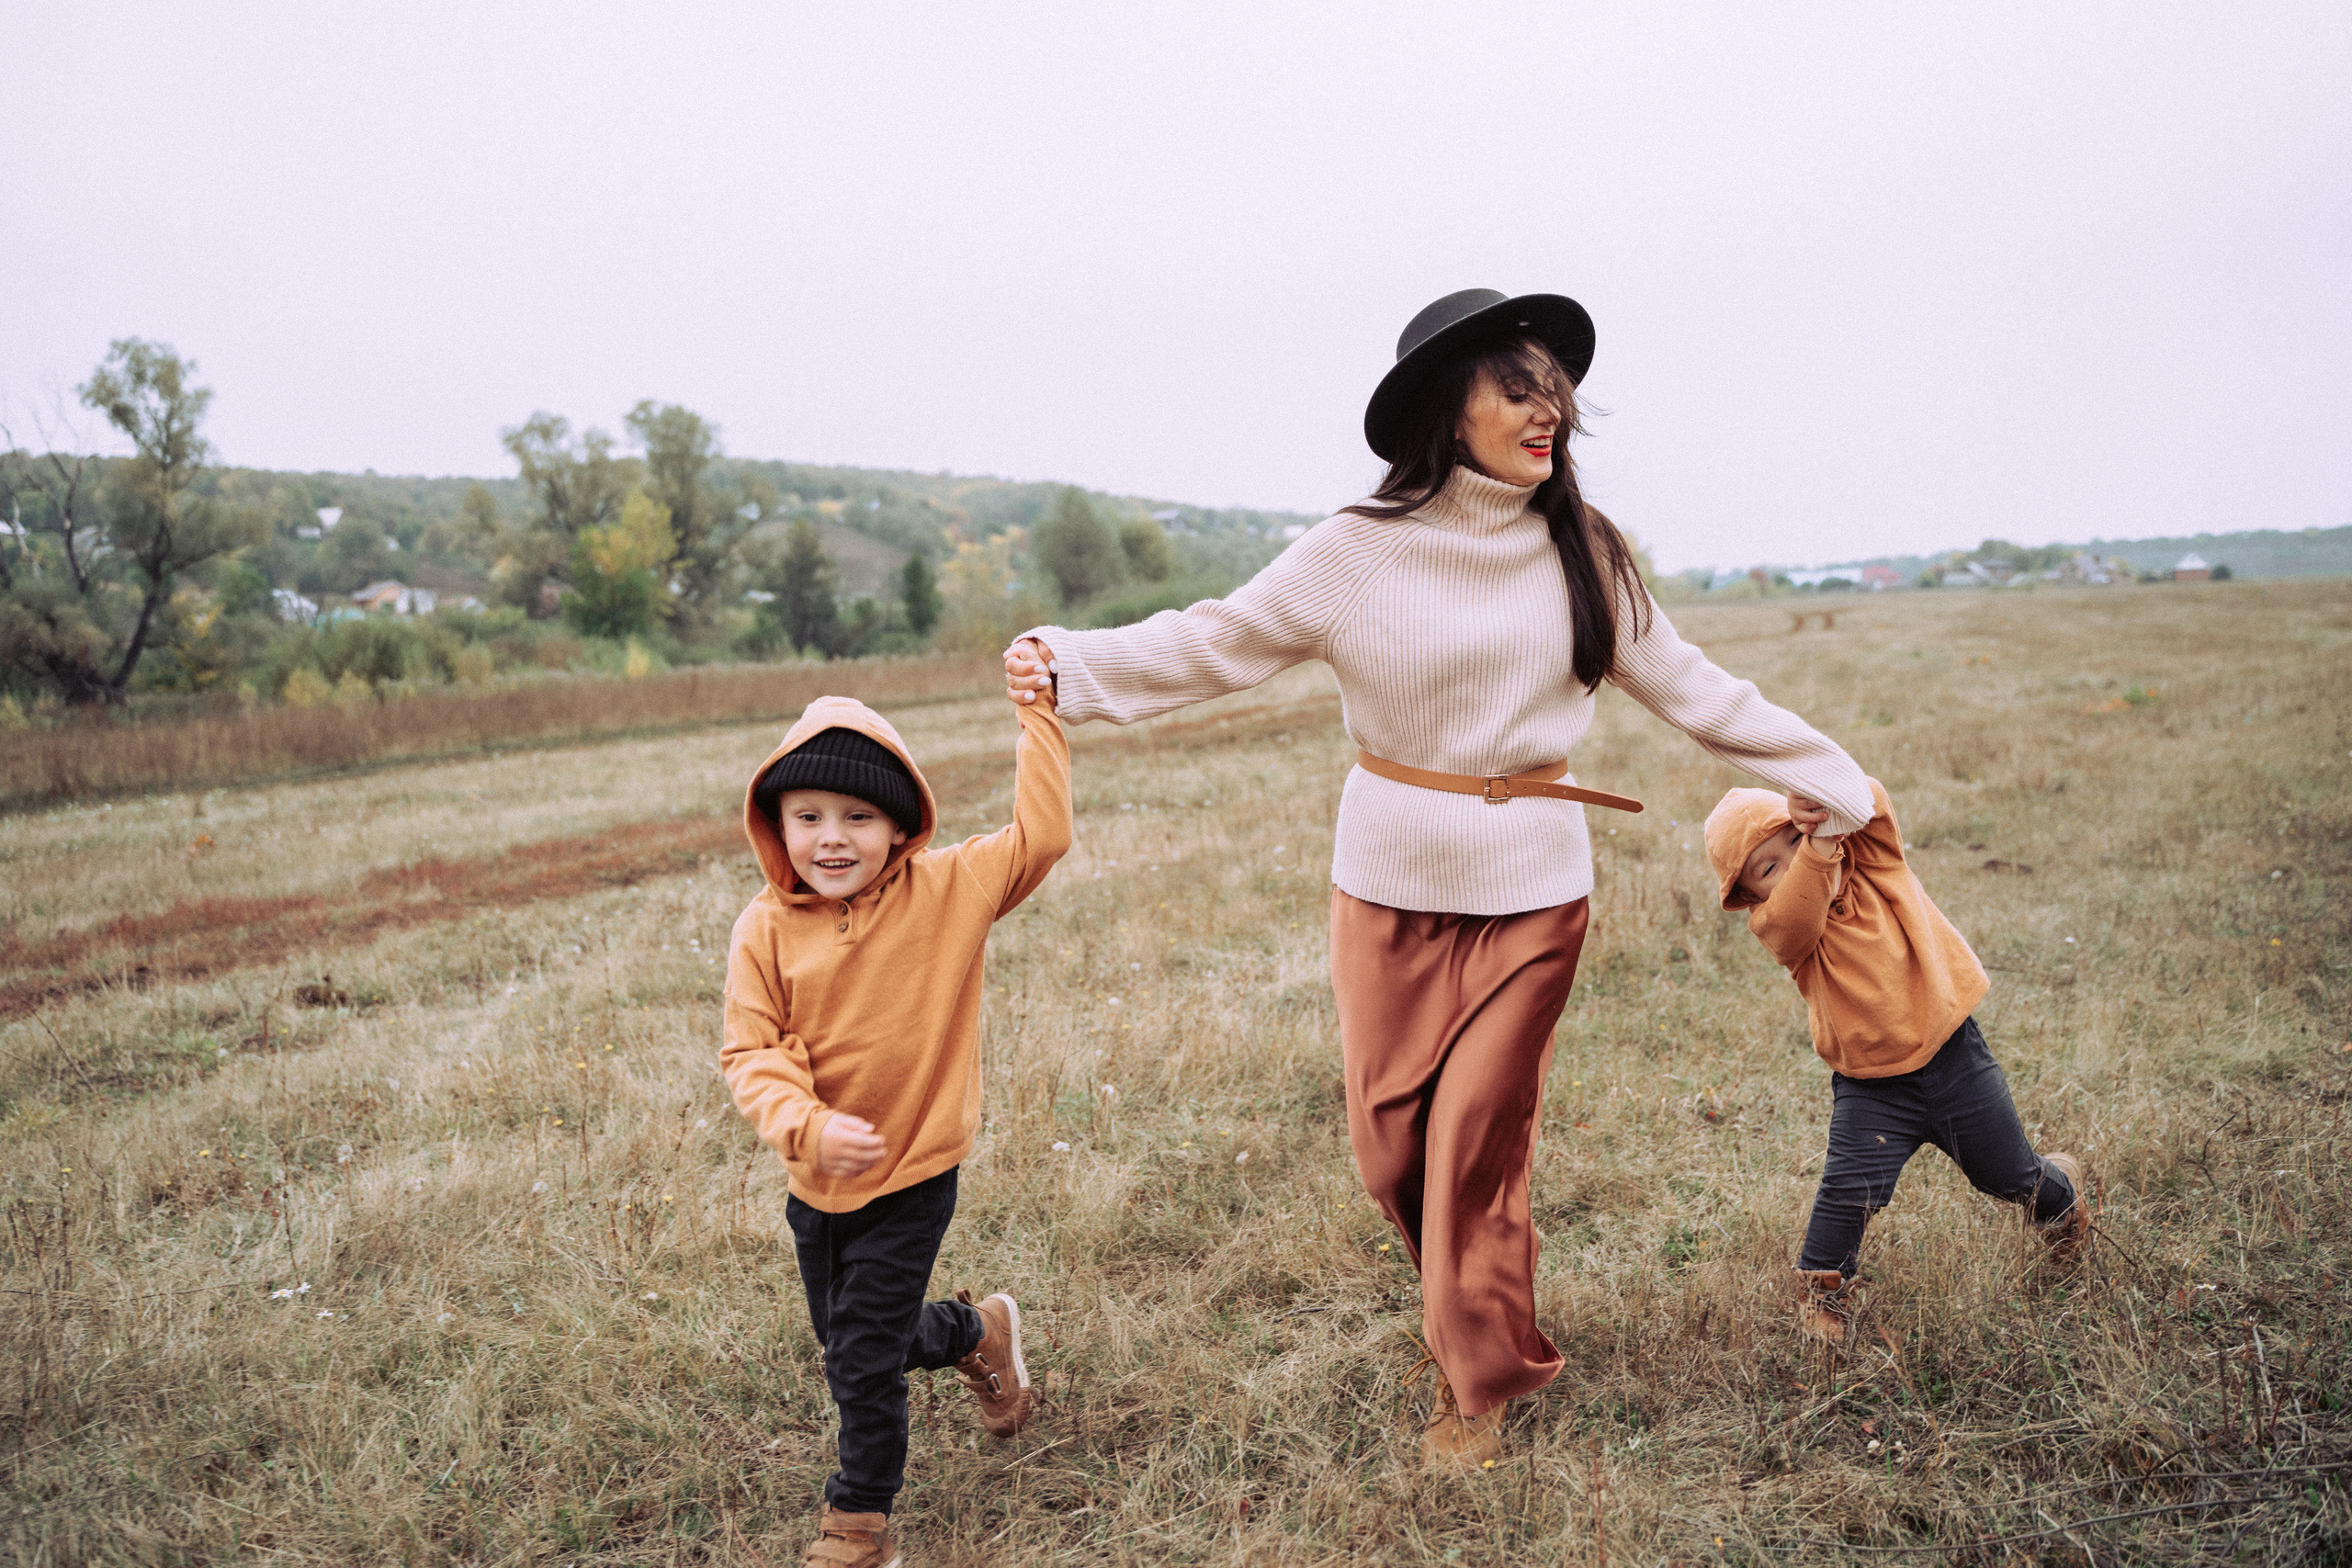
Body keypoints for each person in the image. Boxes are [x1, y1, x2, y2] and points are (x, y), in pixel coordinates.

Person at [1002, 288, 1876, 1467]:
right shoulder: (1354, 549)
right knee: (1390, 1151)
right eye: (1516, 388)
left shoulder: (1585, 550)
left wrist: (1833, 774)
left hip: (1533, 894)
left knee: (1473, 1145)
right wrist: (1069, 665)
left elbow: (1699, 691)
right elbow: (1218, 639)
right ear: (1444, 405)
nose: (1546, 412)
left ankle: (1479, 1385)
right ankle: (1475, 1312)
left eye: (1554, 392)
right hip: (1383, 883)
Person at [720, 684, 1071, 1568]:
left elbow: (1043, 837)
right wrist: (804, 1125)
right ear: (777, 822)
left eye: (858, 816)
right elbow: (750, 1052)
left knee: (860, 1364)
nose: (831, 837)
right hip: (818, 1184)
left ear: (900, 825)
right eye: (808, 816)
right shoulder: (763, 928)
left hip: (914, 1173)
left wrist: (1038, 714)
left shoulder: (947, 888)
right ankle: (975, 1332)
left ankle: (859, 1525)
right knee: (852, 1341)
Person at [1704, 779, 2092, 1341]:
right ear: (1751, 897)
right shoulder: (1781, 925)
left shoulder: (1872, 862)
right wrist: (1814, 848)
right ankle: (1824, 1295)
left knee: (2008, 1175)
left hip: (1954, 1058)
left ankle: (2064, 1201)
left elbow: (1870, 800)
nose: (1791, 863)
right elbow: (1798, 911)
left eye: (1793, 838)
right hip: (1872, 1088)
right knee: (1847, 1192)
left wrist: (1821, 793)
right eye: (1768, 869)